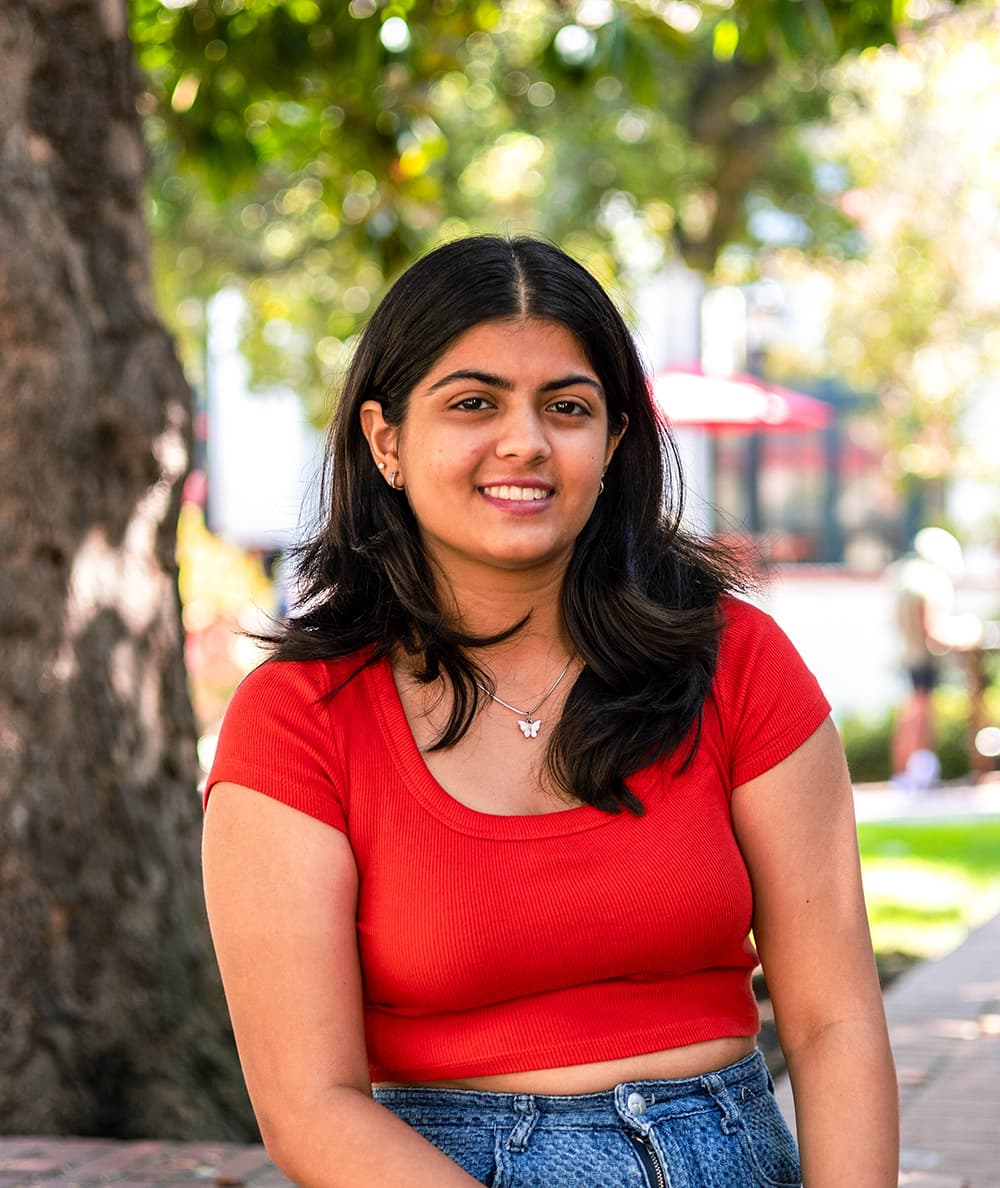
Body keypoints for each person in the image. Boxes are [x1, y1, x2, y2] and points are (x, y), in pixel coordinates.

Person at [202, 235, 898, 1187]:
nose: (525, 440)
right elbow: (307, 1107)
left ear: (613, 442)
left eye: (566, 406)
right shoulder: (296, 721)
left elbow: (835, 1024)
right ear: (386, 439)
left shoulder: (737, 661)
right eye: (474, 403)